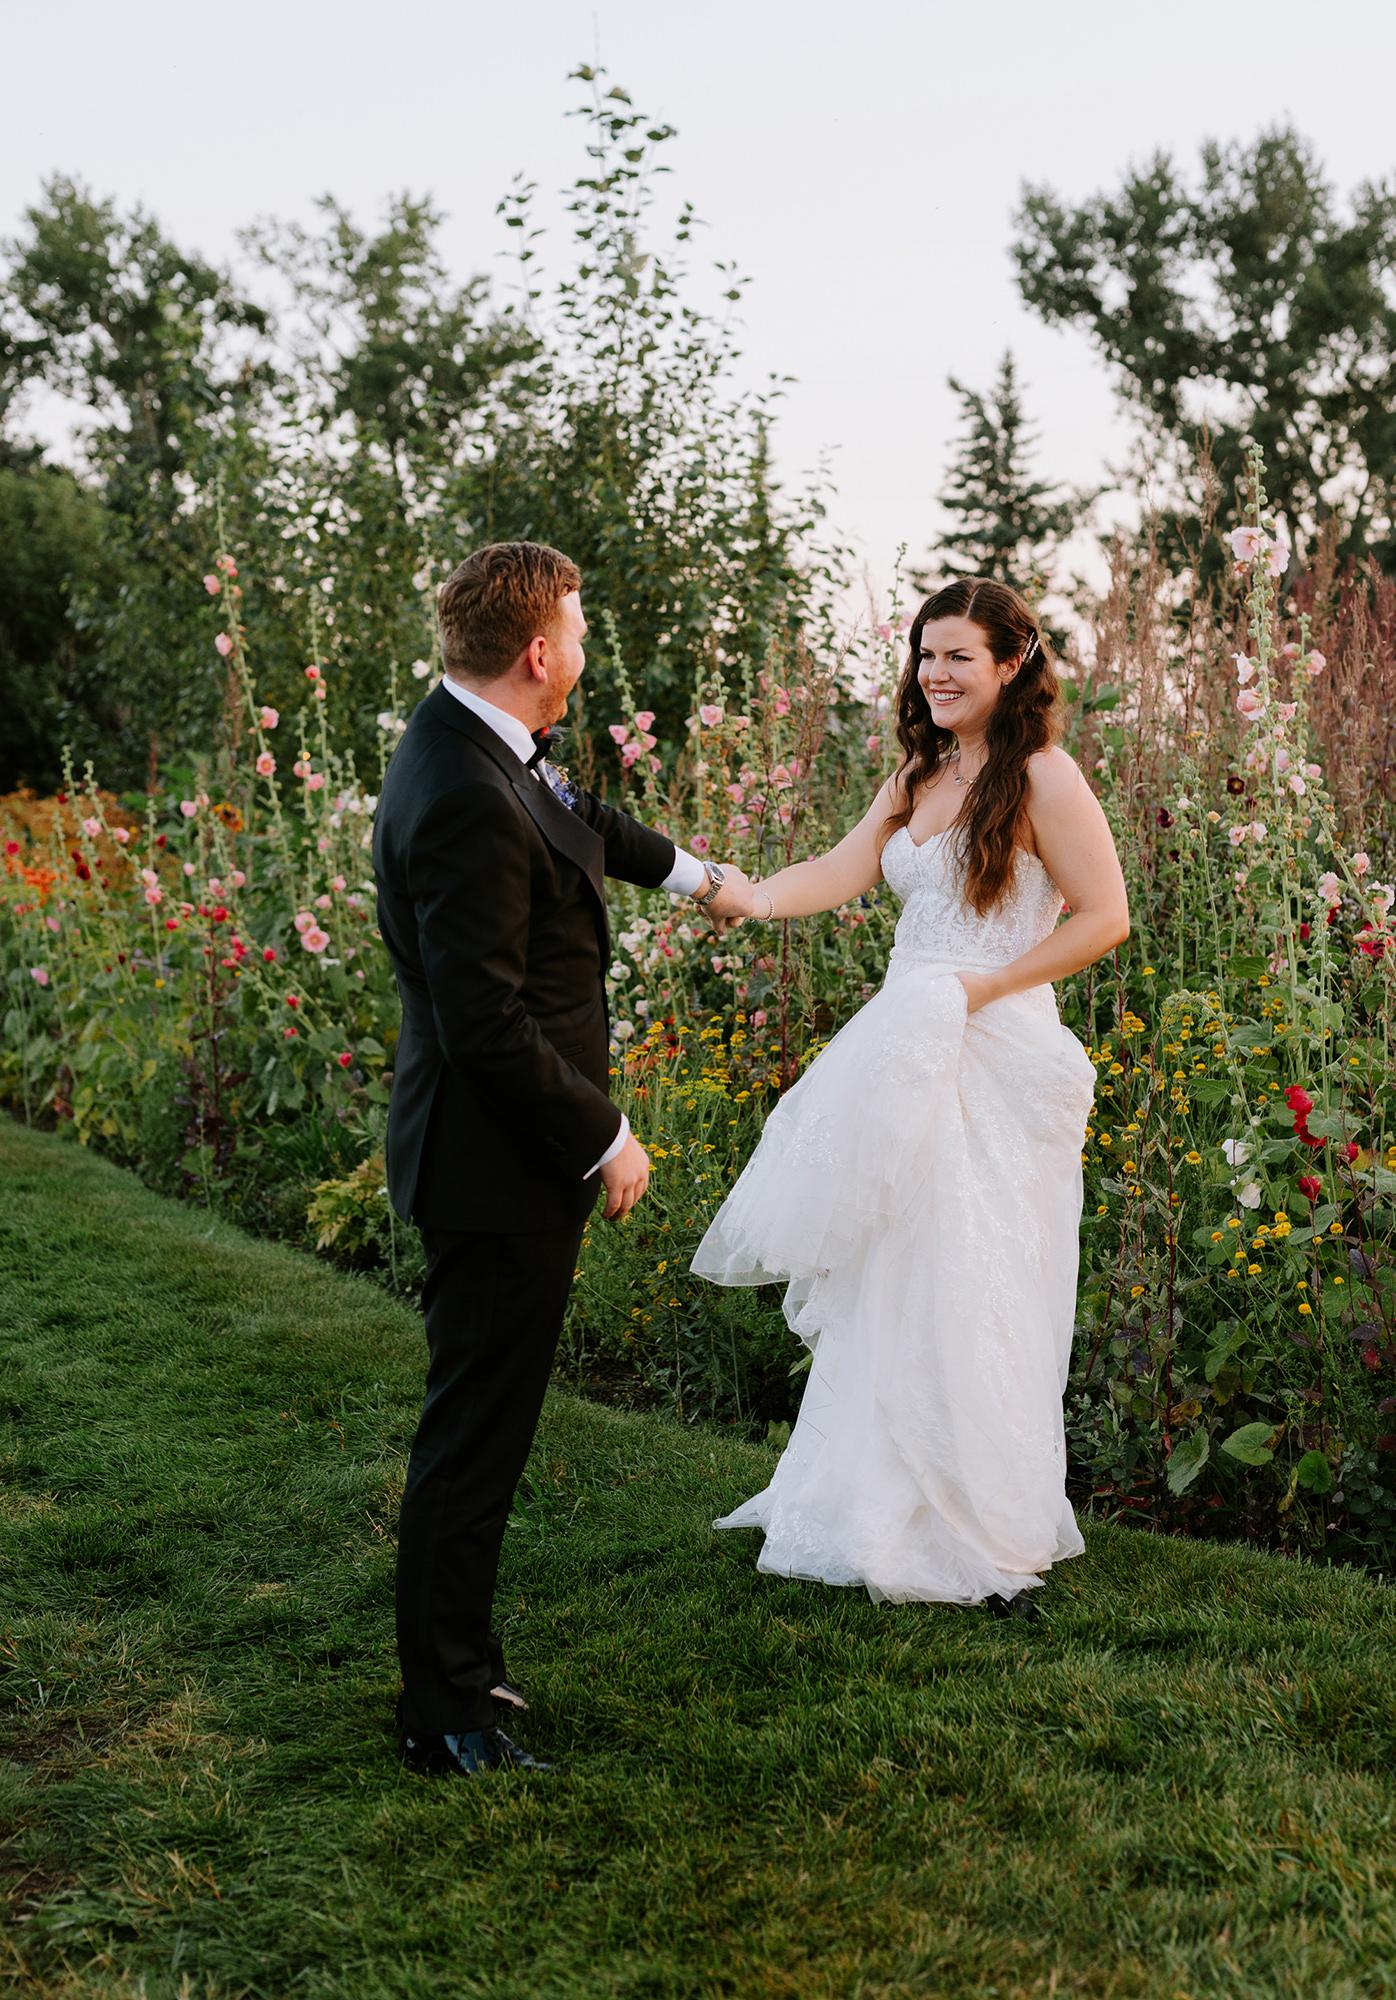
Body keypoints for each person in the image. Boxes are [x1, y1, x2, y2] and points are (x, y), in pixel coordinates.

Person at [373, 541, 750, 1776]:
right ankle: (443, 1714)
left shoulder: (483, 744)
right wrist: (605, 1133)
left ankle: (463, 1666)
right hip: (497, 1163)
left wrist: (697, 875)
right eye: (579, 632)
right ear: (540, 652)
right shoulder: (465, 786)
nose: (585, 651)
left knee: (486, 1423)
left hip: (501, 1158)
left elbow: (584, 820)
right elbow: (484, 1021)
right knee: (473, 1435)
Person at [692, 578, 1129, 1615]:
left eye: (957, 657)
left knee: (971, 1272)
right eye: (925, 654)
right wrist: (741, 893)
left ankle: (973, 1525)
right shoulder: (918, 774)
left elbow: (1104, 916)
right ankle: (865, 1504)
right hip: (901, 1041)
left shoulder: (1043, 776)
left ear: (1011, 663)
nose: (934, 673)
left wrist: (978, 988)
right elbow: (840, 870)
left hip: (992, 1047)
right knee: (892, 1267)